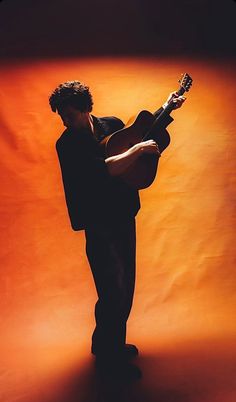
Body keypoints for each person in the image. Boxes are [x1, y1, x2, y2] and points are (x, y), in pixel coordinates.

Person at [49, 80, 185, 380]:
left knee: (126, 286)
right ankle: (111, 361)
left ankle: (107, 345)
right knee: (112, 289)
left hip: (123, 215)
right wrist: (136, 151)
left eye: (69, 115)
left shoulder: (111, 125)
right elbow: (104, 168)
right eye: (61, 116)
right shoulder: (67, 144)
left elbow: (147, 138)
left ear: (86, 109)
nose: (65, 121)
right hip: (99, 224)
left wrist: (166, 108)